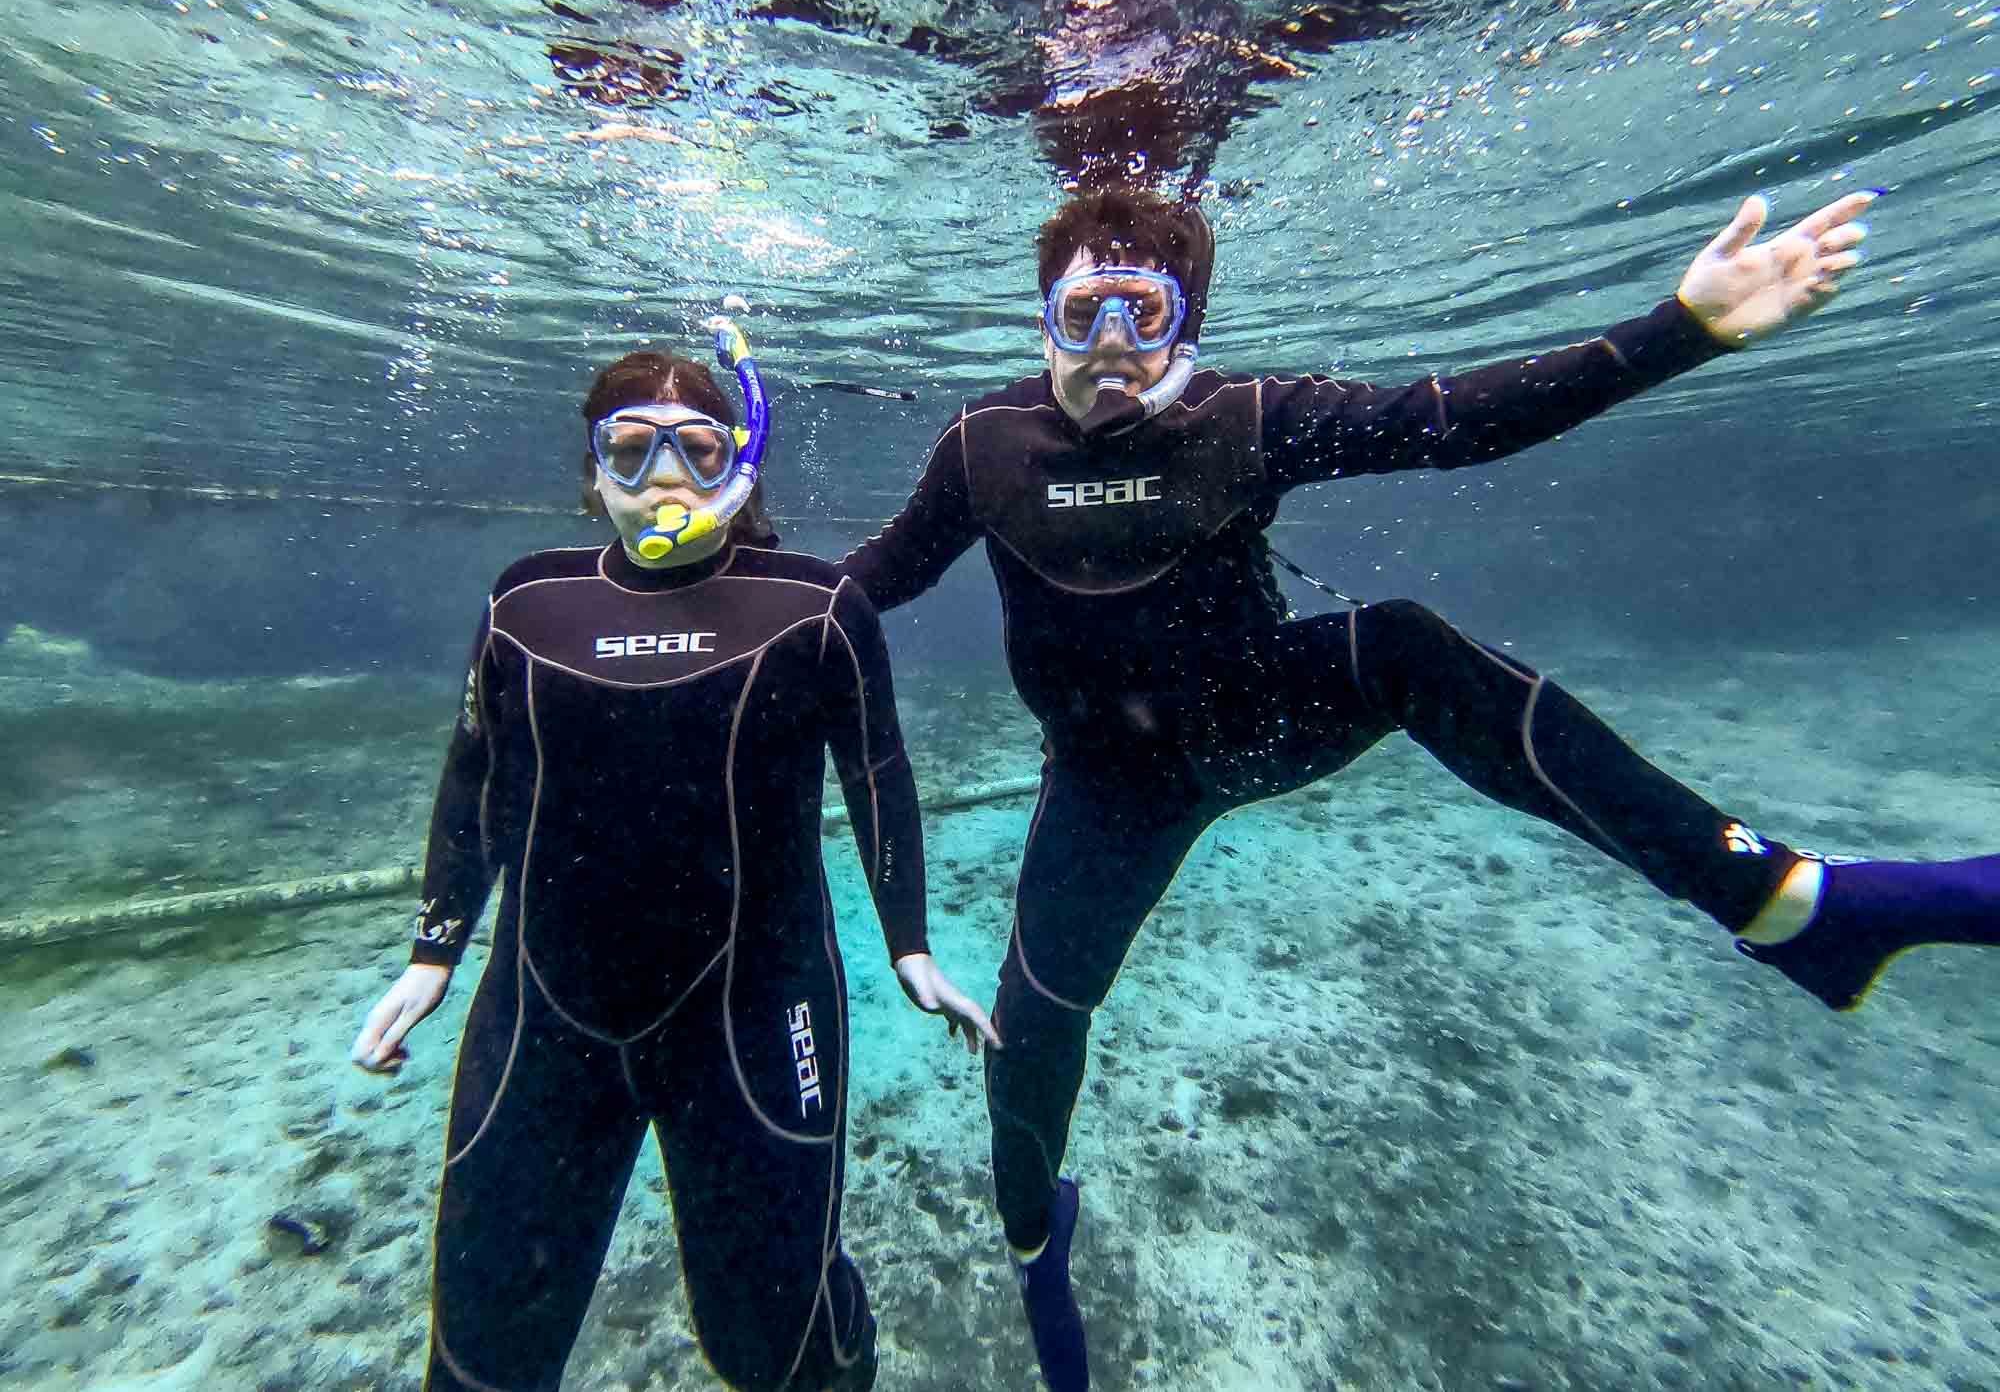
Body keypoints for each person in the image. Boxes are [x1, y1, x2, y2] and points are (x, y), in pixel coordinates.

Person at [834, 186, 2000, 1391]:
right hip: (1107, 789)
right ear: (1042, 319)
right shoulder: (983, 448)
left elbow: (1455, 420)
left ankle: (1783, 904)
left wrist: (1683, 327)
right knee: (1030, 1030)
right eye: (1085, 314)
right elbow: (864, 585)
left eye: (1144, 311)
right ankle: (1034, 1242)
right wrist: (699, 588)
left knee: (1400, 644)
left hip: (1262, 723)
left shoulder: (1248, 418)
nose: (1112, 349)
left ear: (1188, 326)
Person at [350, 314, 1000, 1392]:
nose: (664, 476)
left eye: (697, 449)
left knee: (772, 1349)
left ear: (740, 464)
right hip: (544, 1021)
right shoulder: (525, 605)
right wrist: (434, 950)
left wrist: (911, 945)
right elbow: (476, 774)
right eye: (629, 448)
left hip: (757, 1015)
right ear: (591, 472)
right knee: (482, 1352)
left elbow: (878, 775)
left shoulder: (817, 608)